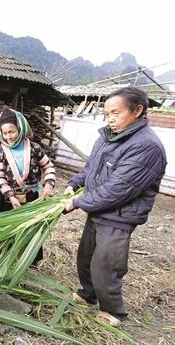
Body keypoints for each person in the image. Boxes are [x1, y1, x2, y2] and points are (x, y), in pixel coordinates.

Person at [62, 86, 167, 327]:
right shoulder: (108, 136)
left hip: (119, 216)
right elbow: (91, 168)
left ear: (137, 110)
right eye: (107, 113)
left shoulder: (146, 147)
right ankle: (87, 294)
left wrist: (78, 202)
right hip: (98, 209)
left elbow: (118, 190)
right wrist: (74, 184)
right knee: (86, 257)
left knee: (107, 264)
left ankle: (112, 311)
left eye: (115, 113)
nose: (110, 119)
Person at [0, 105, 56, 265]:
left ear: (20, 128)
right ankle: (7, 260)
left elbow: (48, 166)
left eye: (12, 132)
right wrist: (10, 196)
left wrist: (48, 184)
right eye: (5, 133)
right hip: (8, 198)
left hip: (31, 196)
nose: (9, 137)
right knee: (7, 230)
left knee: (30, 229)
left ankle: (29, 261)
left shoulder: (35, 148)